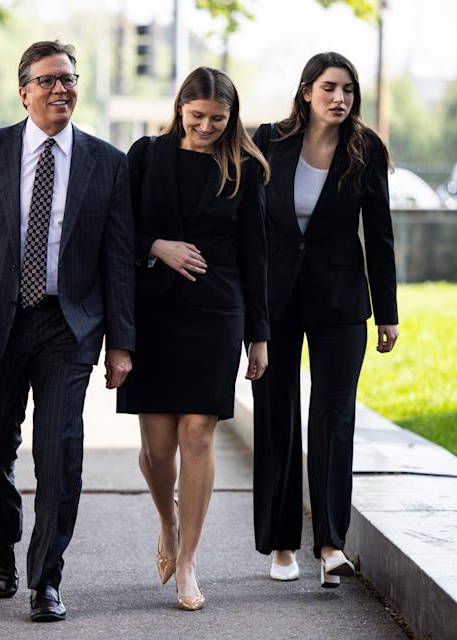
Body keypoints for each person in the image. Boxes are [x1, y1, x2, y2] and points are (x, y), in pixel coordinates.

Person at [0, 40, 135, 622]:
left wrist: (122, 344)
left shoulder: (108, 163)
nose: (60, 89)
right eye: (48, 80)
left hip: (68, 326)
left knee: (60, 455)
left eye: (69, 79)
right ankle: (2, 540)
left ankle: (46, 579)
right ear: (23, 91)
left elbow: (118, 260)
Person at [116, 67, 270, 610]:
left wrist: (258, 336)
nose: (206, 127)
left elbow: (255, 253)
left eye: (217, 119)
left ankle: (188, 562)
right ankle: (168, 521)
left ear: (232, 117)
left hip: (216, 313)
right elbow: (119, 229)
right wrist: (157, 246)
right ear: (180, 107)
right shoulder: (146, 155)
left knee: (198, 435)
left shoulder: (245, 170)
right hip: (154, 314)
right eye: (197, 116)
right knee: (157, 450)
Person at [251, 52, 399, 588]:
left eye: (348, 90)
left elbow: (378, 233)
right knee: (277, 415)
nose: (340, 98)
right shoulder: (269, 141)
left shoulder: (365, 149)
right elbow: (249, 223)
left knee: (334, 418)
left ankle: (332, 544)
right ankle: (282, 544)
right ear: (307, 91)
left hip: (340, 302)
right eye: (330, 88)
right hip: (276, 300)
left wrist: (388, 314)